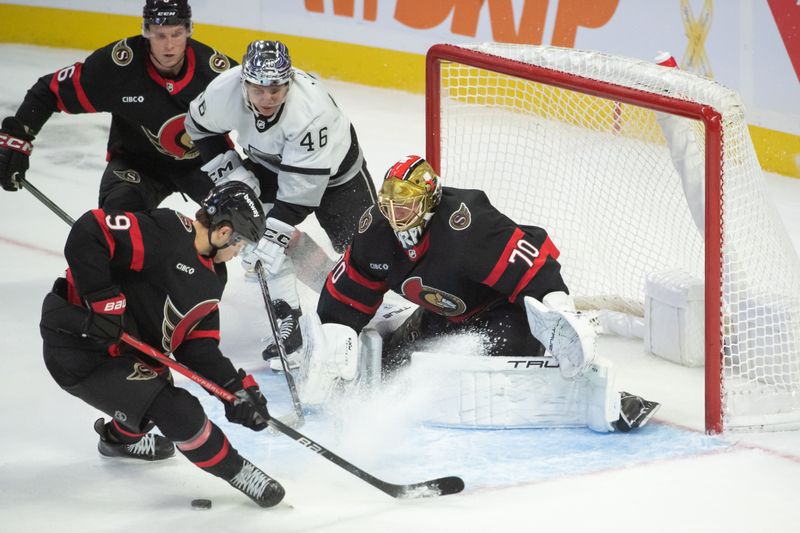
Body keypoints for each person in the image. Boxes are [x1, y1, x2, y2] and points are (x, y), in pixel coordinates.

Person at [314, 155, 659, 432]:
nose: (393, 215)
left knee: (488, 365)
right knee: (396, 365)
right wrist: (334, 335)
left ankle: (591, 391)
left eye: (404, 206)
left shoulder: (468, 227)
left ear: (430, 202)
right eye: (388, 204)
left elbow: (535, 269)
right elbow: (348, 292)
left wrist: (558, 315)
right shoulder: (374, 229)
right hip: (443, 314)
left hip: (503, 312)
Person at [39, 182, 285, 507]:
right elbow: (90, 229)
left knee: (156, 392)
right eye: (241, 243)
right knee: (179, 412)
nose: (239, 251)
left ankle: (118, 440)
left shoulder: (215, 277)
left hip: (125, 355)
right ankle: (239, 472)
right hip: (79, 347)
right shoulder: (168, 231)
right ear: (224, 232)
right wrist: (103, 302)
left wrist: (234, 389)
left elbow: (197, 347)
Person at [185, 39, 378, 362]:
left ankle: (380, 310)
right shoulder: (224, 90)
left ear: (290, 81)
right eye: (259, 88)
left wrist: (275, 233)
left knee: (366, 254)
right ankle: (291, 321)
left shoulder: (310, 112)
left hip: (336, 176)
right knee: (246, 227)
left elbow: (302, 192)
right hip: (269, 164)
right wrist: (232, 172)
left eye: (276, 88)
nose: (268, 98)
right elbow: (199, 127)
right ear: (244, 80)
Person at [0, 0, 235, 211]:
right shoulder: (117, 68)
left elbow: (263, 113)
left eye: (176, 34)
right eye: (159, 35)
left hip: (207, 165)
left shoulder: (217, 74)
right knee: (118, 220)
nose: (169, 46)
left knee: (242, 220)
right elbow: (48, 91)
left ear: (188, 31)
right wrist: (18, 137)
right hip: (137, 164)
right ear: (146, 32)